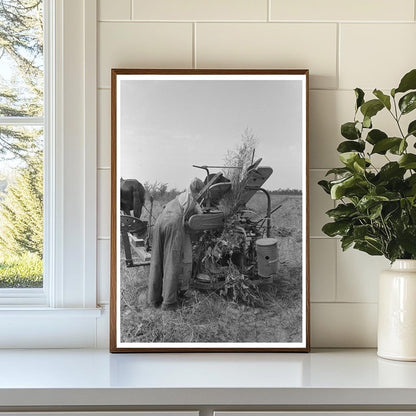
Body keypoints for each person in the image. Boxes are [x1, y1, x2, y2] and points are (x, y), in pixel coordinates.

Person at [148, 177, 204, 310]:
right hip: (173, 224)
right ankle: (169, 302)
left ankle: (153, 299)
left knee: (156, 260)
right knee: (171, 262)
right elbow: (200, 217)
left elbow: (164, 207)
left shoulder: (180, 196)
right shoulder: (194, 199)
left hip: (160, 221)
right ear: (197, 190)